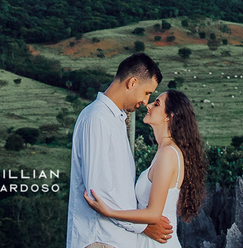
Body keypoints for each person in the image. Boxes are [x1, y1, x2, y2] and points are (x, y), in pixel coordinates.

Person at [67, 53, 174, 248]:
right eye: (147, 92)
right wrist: (142, 227)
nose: (145, 102)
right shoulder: (97, 118)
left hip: (113, 239)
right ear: (132, 82)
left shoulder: (114, 119)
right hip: (99, 239)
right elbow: (97, 193)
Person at [83, 90, 207, 248]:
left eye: (156, 104)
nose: (148, 105)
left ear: (169, 116)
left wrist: (108, 212)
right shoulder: (164, 152)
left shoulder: (168, 154)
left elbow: (153, 214)